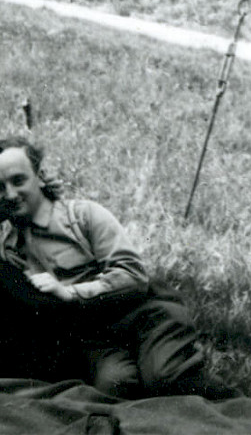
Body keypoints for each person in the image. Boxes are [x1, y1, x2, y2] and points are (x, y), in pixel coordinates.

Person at [0, 135, 222, 399]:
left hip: (144, 315)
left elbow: (133, 275)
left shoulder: (83, 216)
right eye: (0, 187)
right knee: (114, 389)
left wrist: (70, 292)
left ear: (40, 176)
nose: (10, 194)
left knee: (166, 379)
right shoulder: (9, 244)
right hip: (97, 338)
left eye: (18, 181)